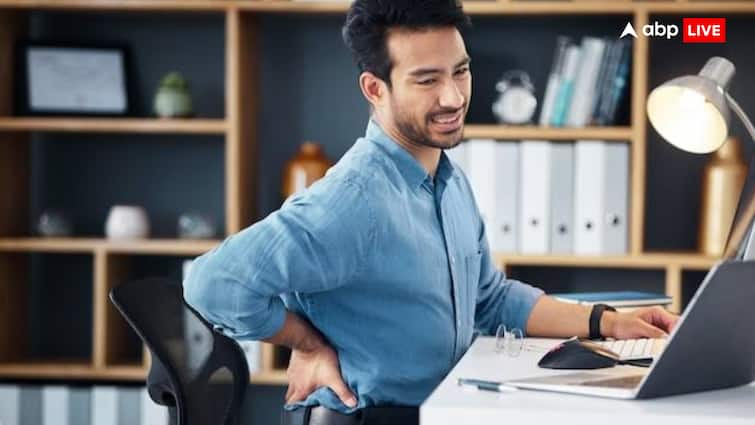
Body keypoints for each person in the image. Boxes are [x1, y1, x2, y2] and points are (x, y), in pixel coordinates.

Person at [183, 1, 678, 424]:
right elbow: (211, 284)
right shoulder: (352, 202)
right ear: (375, 89)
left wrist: (611, 324)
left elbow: (489, 297)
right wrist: (306, 343)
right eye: (427, 80)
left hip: (443, 407)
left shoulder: (447, 179)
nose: (454, 97)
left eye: (460, 71)